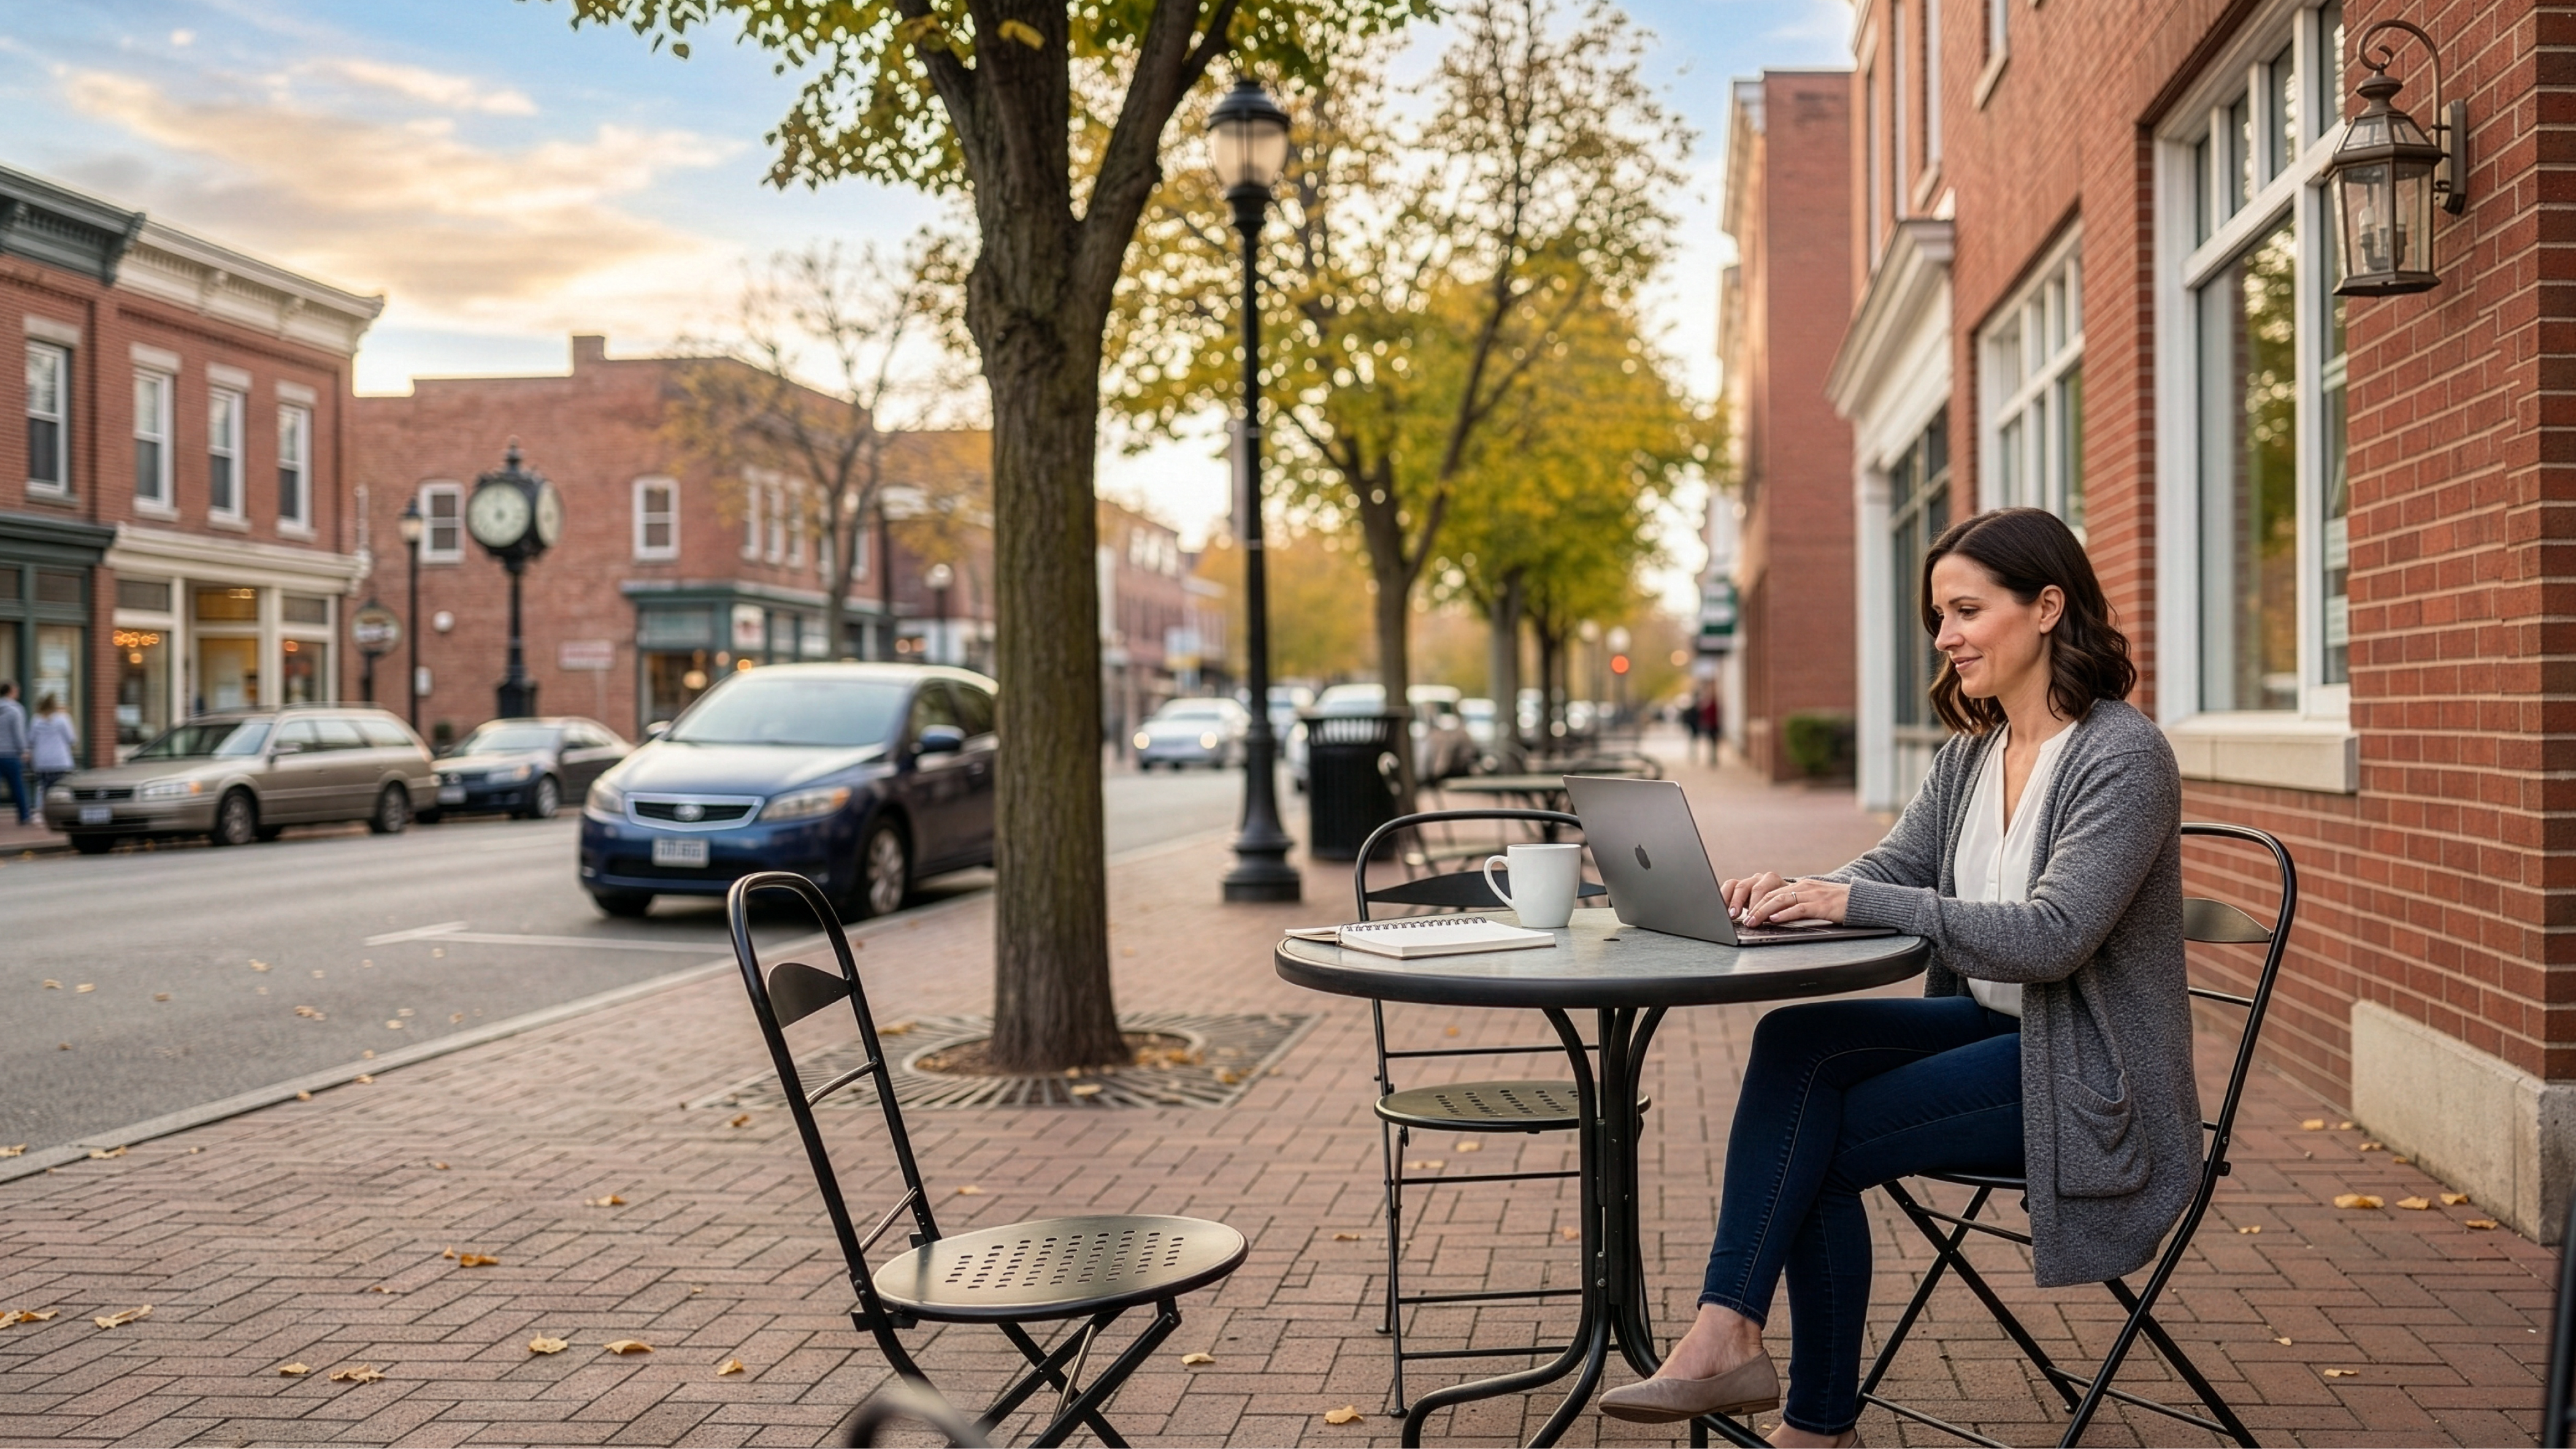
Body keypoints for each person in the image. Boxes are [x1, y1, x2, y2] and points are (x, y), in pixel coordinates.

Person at [1597, 508, 2195, 1448]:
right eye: (1938, 617)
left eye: (1965, 610)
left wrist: (1859, 906)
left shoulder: (2122, 753)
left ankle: (1803, 1413)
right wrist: (1799, 890)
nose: (1946, 636)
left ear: (2048, 606)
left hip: (2091, 1071)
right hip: (2001, 1031)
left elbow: (2053, 937)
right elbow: (1890, 870)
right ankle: (1730, 1333)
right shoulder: (1973, 752)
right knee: (1795, 1042)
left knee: (1819, 1143)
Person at [29, 694, 79, 806]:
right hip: (60, 760)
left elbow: (31, 740)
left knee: (43, 788)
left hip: (42, 761)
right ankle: (60, 811)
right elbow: (72, 739)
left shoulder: (36, 720)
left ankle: (41, 813)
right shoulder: (63, 719)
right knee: (61, 790)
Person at [0, 682, 27, 826]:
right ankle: (24, 816)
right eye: (16, 690)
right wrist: (24, 750)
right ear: (11, 692)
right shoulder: (16, 710)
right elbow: (18, 734)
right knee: (17, 787)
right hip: (11, 755)